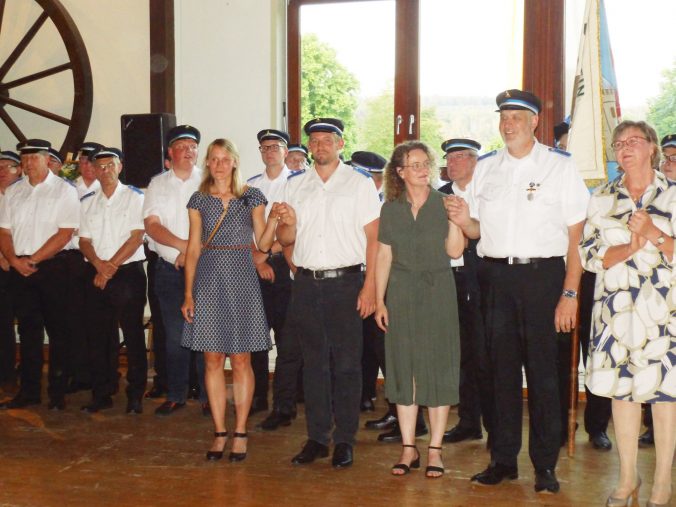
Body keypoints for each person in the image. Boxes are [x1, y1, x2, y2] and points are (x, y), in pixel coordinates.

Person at [448, 89, 590, 494]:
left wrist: (569, 294)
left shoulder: (559, 166)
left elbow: (576, 238)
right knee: (499, 374)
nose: (508, 125)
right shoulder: (487, 167)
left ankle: (544, 465)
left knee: (544, 376)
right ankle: (503, 459)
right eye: (503, 117)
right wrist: (463, 219)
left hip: (543, 279)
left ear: (534, 122)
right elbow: (478, 230)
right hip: (495, 279)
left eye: (516, 117)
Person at [275, 117, 381, 469]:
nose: (319, 146)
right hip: (306, 284)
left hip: (347, 283)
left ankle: (345, 439)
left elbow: (374, 238)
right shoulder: (296, 185)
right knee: (314, 365)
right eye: (314, 140)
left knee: (347, 365)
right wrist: (288, 225)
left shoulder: (359, 183)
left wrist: (370, 286)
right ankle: (318, 438)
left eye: (327, 140)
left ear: (340, 144)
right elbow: (286, 239)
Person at [580, 120, 675, 507]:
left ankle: (662, 482)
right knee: (622, 395)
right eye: (619, 144)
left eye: (634, 141)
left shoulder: (672, 195)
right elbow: (589, 255)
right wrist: (630, 249)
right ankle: (627, 477)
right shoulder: (602, 198)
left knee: (665, 397)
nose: (625, 148)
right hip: (615, 313)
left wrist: (654, 234)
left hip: (664, 313)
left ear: (652, 147)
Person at [181, 138, 275, 462]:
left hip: (242, 278)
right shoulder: (198, 200)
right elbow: (193, 248)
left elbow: (263, 243)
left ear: (235, 161)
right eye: (214, 159)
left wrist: (274, 221)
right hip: (208, 279)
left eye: (225, 158)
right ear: (207, 163)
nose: (219, 164)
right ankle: (220, 431)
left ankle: (241, 431)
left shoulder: (252, 196)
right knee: (211, 360)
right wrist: (188, 293)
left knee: (241, 360)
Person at [374, 141, 463, 478]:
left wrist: (455, 220)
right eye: (415, 164)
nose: (423, 169)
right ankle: (409, 447)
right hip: (400, 292)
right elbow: (384, 256)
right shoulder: (390, 208)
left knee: (438, 368)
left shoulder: (445, 202)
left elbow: (455, 251)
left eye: (426, 163)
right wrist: (379, 300)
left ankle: (435, 449)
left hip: (438, 291)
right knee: (404, 368)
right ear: (399, 172)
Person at [0, 139, 79, 410]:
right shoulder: (14, 192)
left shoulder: (64, 190)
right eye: (25, 158)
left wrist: (32, 260)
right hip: (20, 269)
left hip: (52, 268)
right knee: (28, 331)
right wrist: (14, 260)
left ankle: (57, 394)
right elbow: (4, 231)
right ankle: (29, 391)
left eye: (34, 157)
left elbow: (65, 233)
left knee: (58, 331)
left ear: (47, 160)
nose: (28, 162)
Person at [143, 124, 207, 416]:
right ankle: (176, 394)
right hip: (169, 270)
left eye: (193, 147)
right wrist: (184, 247)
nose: (189, 151)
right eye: (182, 147)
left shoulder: (208, 181)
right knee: (174, 336)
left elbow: (217, 224)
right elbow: (152, 225)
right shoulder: (157, 184)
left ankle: (208, 396)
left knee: (206, 334)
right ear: (170, 152)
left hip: (205, 270)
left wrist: (192, 253)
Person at [78, 147, 148, 414]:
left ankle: (135, 394)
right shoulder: (87, 202)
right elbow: (84, 241)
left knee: (132, 334)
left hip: (127, 273)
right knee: (98, 336)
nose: (105, 170)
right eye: (100, 166)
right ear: (94, 170)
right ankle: (102, 392)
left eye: (111, 165)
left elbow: (136, 237)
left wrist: (110, 267)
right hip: (96, 272)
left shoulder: (135, 197)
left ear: (120, 167)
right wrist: (99, 265)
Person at [438, 138, 493, 446]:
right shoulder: (439, 195)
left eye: (460, 157)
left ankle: (492, 423)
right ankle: (468, 421)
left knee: (483, 354)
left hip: (481, 280)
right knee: (458, 355)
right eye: (450, 158)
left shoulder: (487, 193)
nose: (453, 163)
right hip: (448, 279)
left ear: (475, 161)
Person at [248, 129, 301, 431]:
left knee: (286, 339)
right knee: (255, 337)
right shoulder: (250, 186)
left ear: (285, 151)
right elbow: (241, 227)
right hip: (254, 268)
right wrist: (258, 260)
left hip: (284, 266)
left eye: (275, 146)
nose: (269, 151)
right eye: (264, 147)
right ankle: (257, 398)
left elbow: (297, 228)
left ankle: (284, 406)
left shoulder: (297, 182)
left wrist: (266, 255)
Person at [0, 152, 22, 386]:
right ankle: (5, 371)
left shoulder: (23, 195)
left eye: (9, 166)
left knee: (27, 321)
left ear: (20, 170)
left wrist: (11, 257)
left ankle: (21, 370)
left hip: (21, 264)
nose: (3, 171)